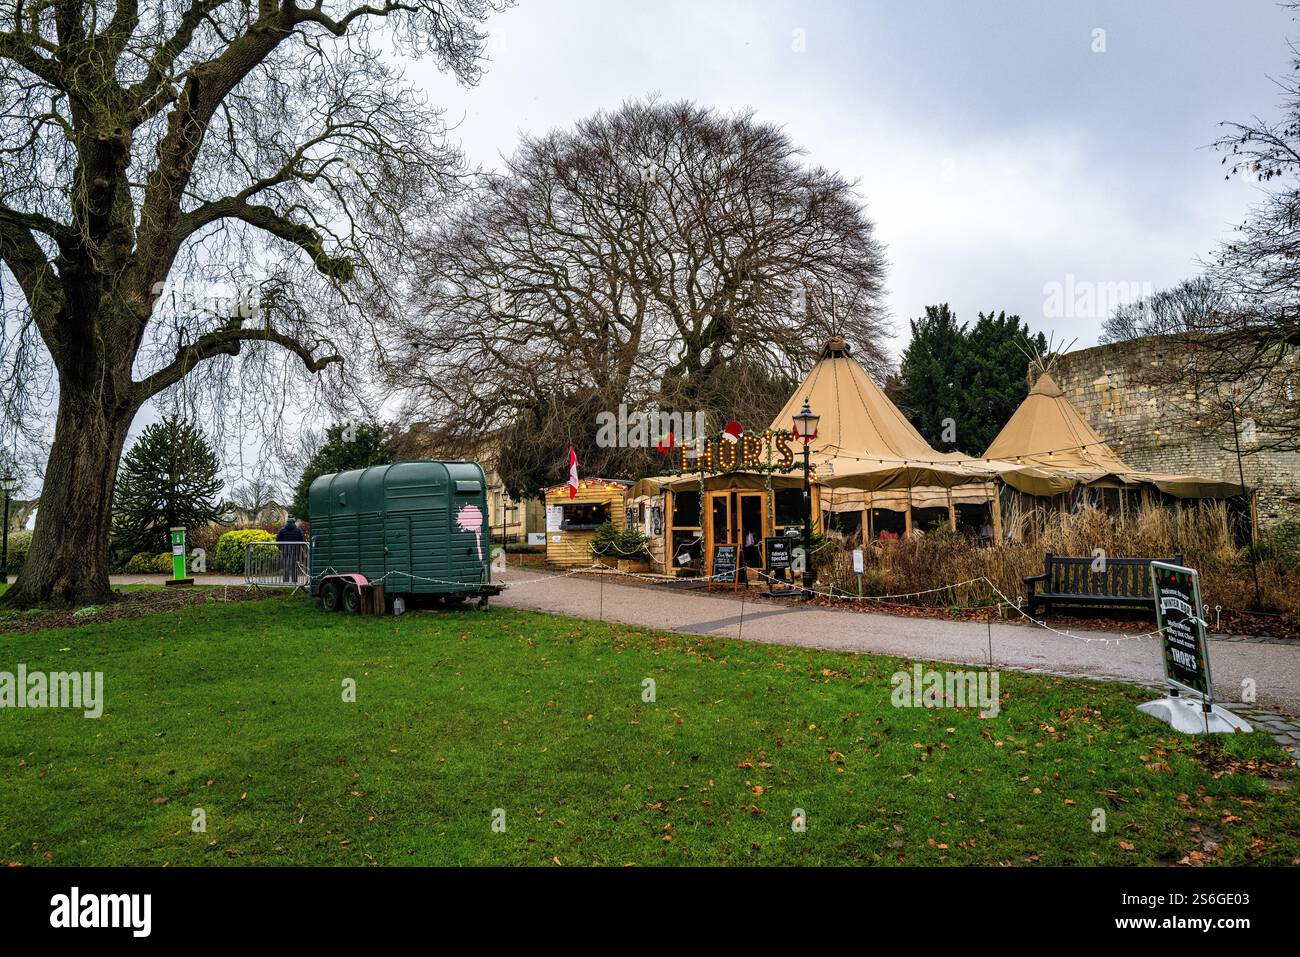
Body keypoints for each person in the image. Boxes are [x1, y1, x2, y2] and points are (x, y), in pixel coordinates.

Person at [276, 515, 306, 583]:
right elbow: (302, 541)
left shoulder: (282, 530)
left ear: (287, 521)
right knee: (294, 566)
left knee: (286, 566)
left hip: (285, 550)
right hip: (295, 550)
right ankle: (294, 581)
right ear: (294, 521)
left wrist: (281, 548)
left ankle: (285, 581)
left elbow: (277, 540)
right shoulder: (298, 530)